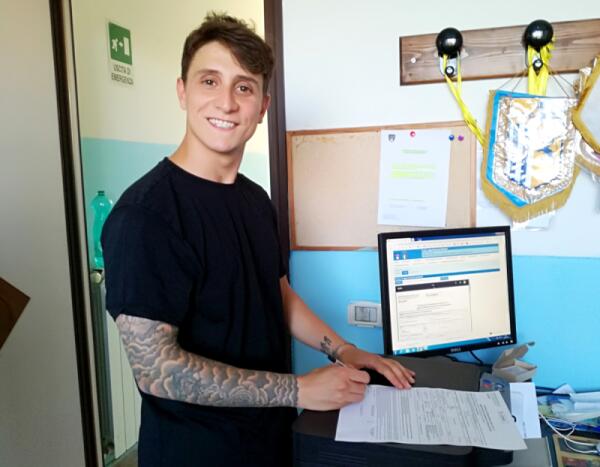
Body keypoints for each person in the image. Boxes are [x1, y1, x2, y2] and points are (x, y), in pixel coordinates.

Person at [101, 12, 415, 467]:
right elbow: (156, 370)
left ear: (262, 107)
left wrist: (344, 350)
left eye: (244, 87)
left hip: (270, 439)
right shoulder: (145, 217)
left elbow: (277, 294)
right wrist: (299, 389)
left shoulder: (254, 199)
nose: (227, 103)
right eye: (210, 81)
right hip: (197, 454)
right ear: (183, 91)